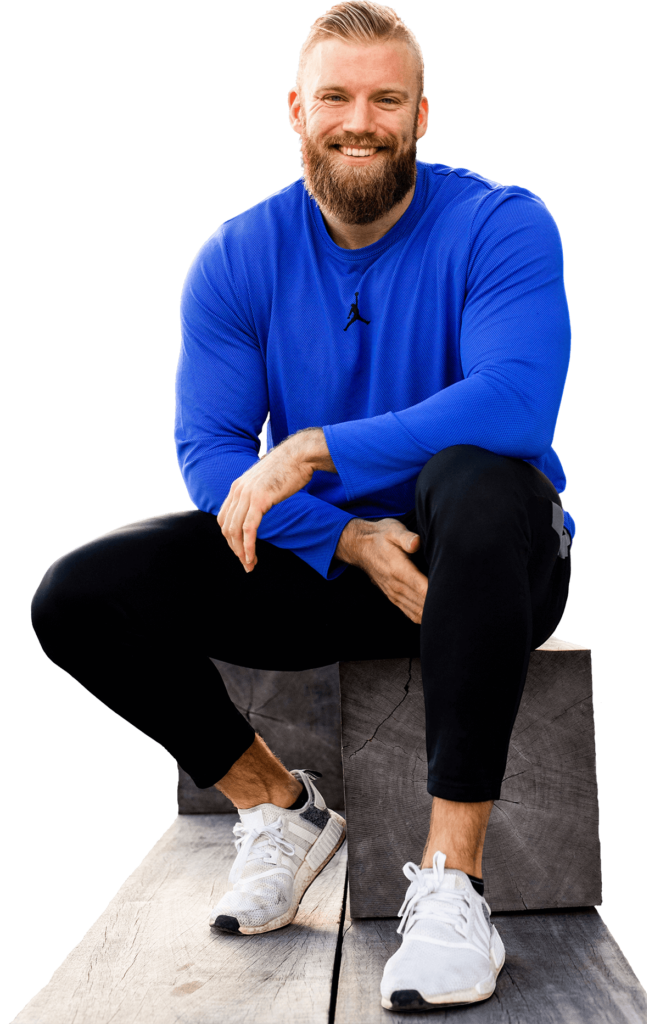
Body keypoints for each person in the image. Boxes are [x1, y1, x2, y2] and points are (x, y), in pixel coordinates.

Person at [30, 0, 575, 1012]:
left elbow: (516, 402)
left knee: (483, 474)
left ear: (422, 116)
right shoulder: (236, 258)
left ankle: (454, 885)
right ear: (295, 110)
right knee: (77, 594)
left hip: (487, 565)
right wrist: (346, 537)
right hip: (325, 570)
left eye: (386, 99)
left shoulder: (503, 222)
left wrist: (320, 447)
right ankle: (280, 807)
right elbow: (213, 459)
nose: (358, 119)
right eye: (336, 96)